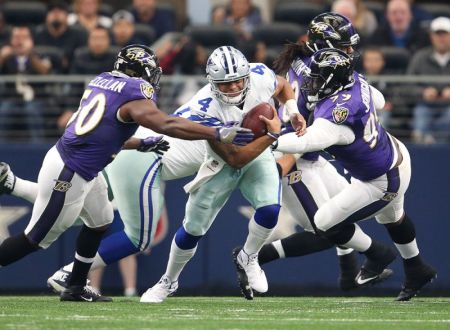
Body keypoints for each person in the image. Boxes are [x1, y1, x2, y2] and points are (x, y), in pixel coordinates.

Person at [0, 44, 255, 302]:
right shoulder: (135, 90)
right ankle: (13, 187)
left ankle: (75, 285)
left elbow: (101, 133)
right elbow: (166, 123)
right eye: (151, 72)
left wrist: (140, 143)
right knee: (35, 239)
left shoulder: (101, 80)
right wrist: (215, 132)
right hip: (71, 171)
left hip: (78, 164)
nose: (154, 78)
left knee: (100, 221)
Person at [139, 45, 306, 303]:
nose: (232, 88)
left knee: (270, 210)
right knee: (192, 229)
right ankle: (169, 281)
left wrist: (293, 111)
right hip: (220, 161)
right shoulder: (203, 108)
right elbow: (235, 159)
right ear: (211, 82)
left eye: (237, 81)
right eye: (224, 84)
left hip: (256, 153)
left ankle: (248, 256)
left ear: (246, 76)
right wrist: (272, 135)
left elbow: (283, 85)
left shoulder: (259, 75)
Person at [274, 47, 437, 301]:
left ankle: (377, 255)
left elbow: (308, 141)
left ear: (332, 81)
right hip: (394, 155)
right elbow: (380, 101)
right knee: (393, 218)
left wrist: (268, 139)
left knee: (324, 222)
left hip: (382, 178)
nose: (311, 83)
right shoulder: (355, 80)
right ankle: (417, 268)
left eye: (317, 78)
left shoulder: (337, 115)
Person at [251, 12, 395, 293]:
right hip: (294, 154)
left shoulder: (302, 59)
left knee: (343, 215)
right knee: (326, 229)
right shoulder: (323, 70)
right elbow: (377, 100)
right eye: (344, 47)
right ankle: (252, 257)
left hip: (310, 152)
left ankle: (348, 271)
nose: (350, 52)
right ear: (322, 45)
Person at [408, 16, 450, 144]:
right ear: (432, 36)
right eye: (438, 34)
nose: (441, 38)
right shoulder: (419, 57)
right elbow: (407, 84)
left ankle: (433, 141)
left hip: (449, 105)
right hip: (425, 104)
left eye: (445, 34)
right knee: (420, 118)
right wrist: (423, 92)